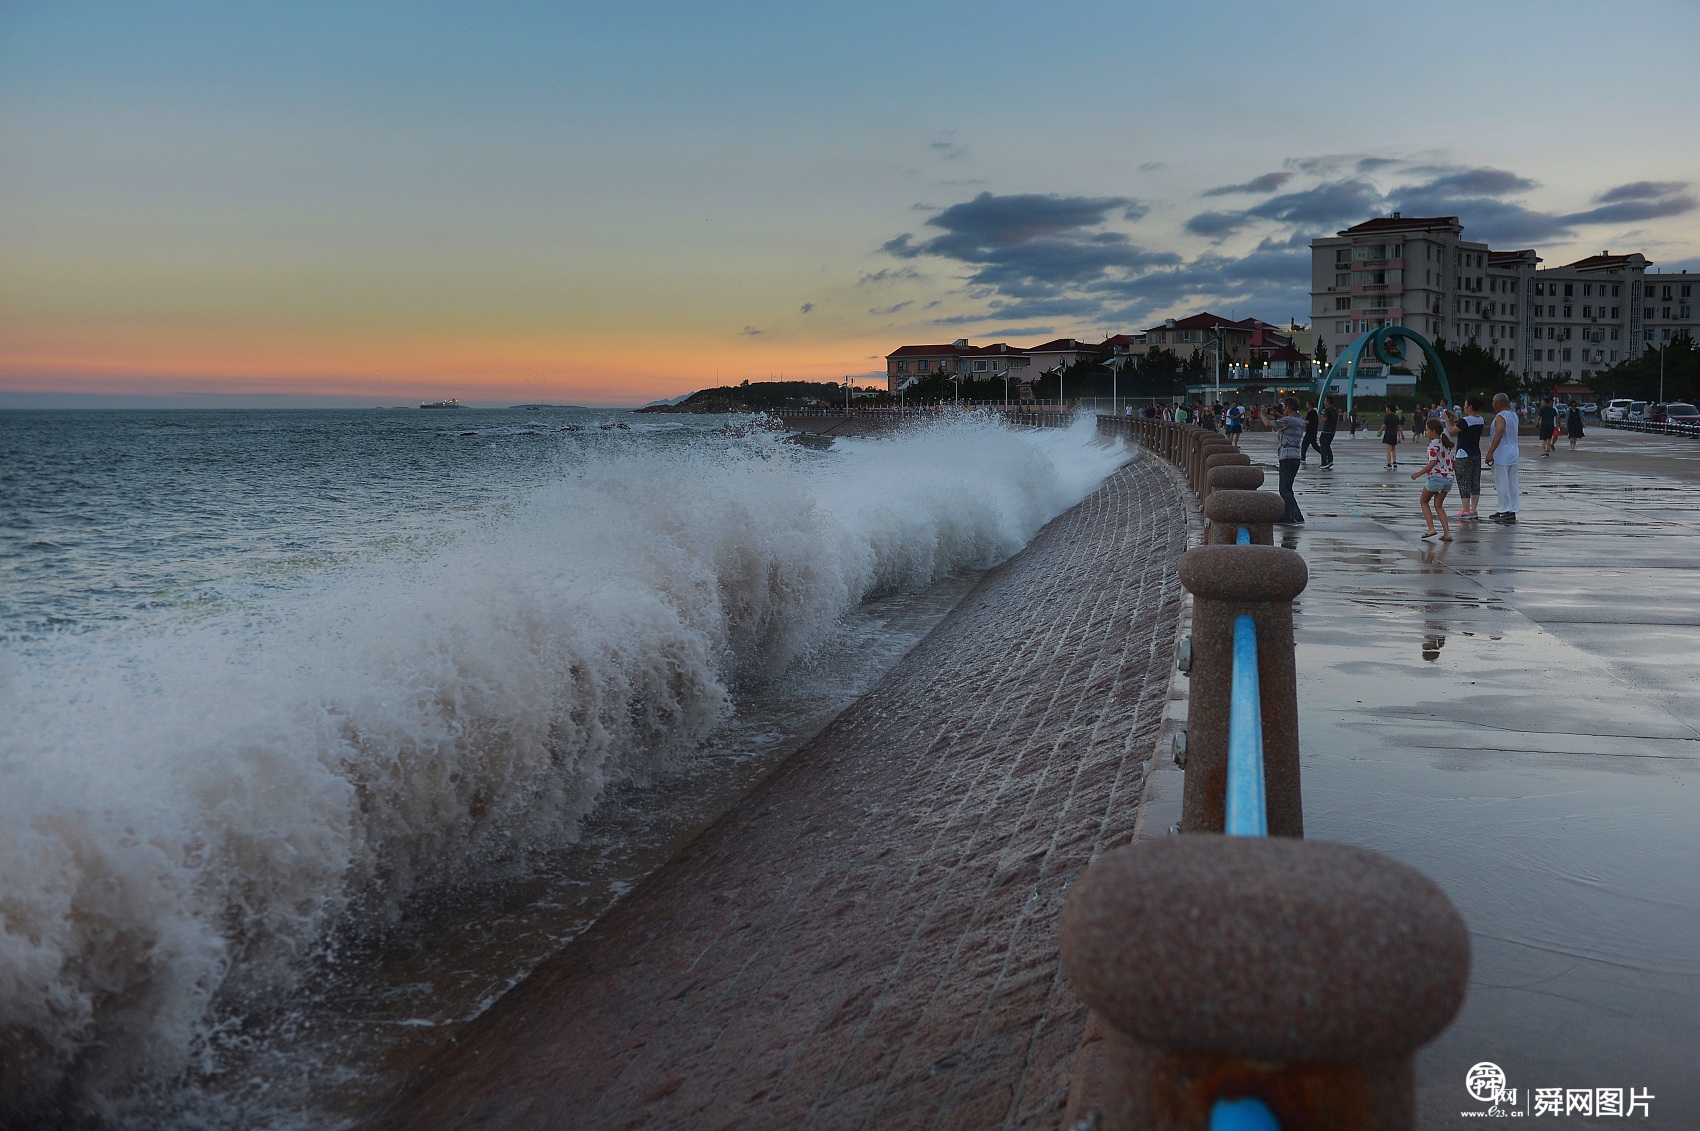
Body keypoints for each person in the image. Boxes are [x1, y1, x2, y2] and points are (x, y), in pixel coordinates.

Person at [1411, 417, 1456, 541]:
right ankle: (1447, 533)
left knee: (1423, 501)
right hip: (1448, 479)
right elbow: (1453, 461)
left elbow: (1432, 462)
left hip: (1436, 478)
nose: (1426, 432)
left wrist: (1418, 473)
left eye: (1427, 430)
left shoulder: (1432, 445)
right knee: (1438, 505)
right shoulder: (1447, 444)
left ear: (1434, 431)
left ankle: (1431, 528)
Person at [1484, 392, 1521, 523]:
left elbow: (1498, 435)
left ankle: (1504, 509)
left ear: (1499, 403)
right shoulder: (1513, 415)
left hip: (1502, 453)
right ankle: (1512, 508)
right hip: (1513, 451)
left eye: (1494, 402)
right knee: (1512, 482)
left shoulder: (1500, 416)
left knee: (1502, 482)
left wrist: (1490, 452)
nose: (1492, 404)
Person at [1454, 396, 1485, 520]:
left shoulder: (1466, 421)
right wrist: (1454, 417)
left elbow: (1451, 430)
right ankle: (1473, 510)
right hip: (1475, 453)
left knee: (1463, 481)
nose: (1464, 408)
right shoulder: (1480, 419)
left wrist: (1446, 420)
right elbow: (1462, 423)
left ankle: (1466, 510)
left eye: (1465, 405)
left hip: (1463, 453)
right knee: (1475, 481)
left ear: (1470, 407)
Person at [1275, 398, 1306, 524]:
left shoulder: (1288, 420)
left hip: (1287, 456)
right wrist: (1275, 413)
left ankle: (1296, 515)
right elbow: (1284, 419)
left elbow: (1268, 424)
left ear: (1288, 407)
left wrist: (1262, 414)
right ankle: (1286, 515)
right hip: (1295, 456)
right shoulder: (1299, 420)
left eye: (1284, 406)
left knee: (1284, 489)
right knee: (1287, 487)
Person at [1381, 402, 1404, 469]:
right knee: (1393, 449)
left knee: (1388, 449)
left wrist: (1380, 431)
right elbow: (1398, 426)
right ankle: (1394, 462)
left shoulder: (1387, 416)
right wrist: (1402, 434)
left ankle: (1389, 464)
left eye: (1386, 408)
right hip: (1394, 434)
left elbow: (1384, 425)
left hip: (1388, 434)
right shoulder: (1396, 416)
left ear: (1389, 409)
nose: (1386, 409)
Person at [1319, 396, 1340, 469]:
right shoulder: (1335, 410)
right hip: (1332, 431)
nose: (1324, 402)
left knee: (1323, 446)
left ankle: (1324, 462)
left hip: (1326, 430)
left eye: (1325, 401)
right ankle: (1330, 460)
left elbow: (1325, 419)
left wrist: (1322, 416)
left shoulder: (1327, 410)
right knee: (1327, 445)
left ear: (1328, 402)